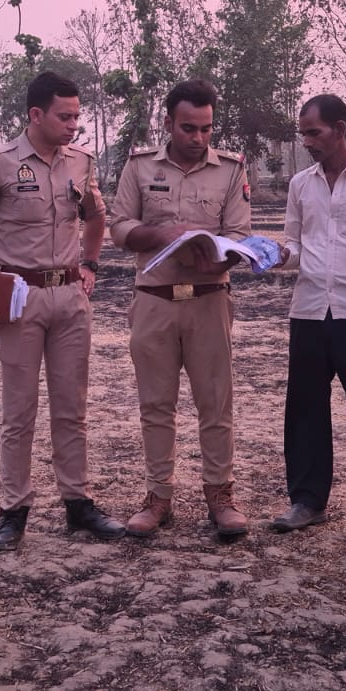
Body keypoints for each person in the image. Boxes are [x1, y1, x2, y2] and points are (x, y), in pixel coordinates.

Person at [0, 71, 124, 549]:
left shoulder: (81, 162)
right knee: (19, 410)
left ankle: (78, 503)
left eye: (77, 116)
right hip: (20, 298)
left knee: (72, 407)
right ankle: (14, 509)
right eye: (64, 116)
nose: (74, 125)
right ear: (35, 114)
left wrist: (90, 263)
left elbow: (96, 215)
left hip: (69, 297)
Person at [109, 79, 254, 540]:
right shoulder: (139, 166)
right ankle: (158, 497)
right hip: (154, 301)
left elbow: (239, 233)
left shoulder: (230, 170)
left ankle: (221, 496)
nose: (198, 137)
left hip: (209, 300)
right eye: (188, 128)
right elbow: (119, 227)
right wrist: (164, 234)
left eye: (206, 129)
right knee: (156, 405)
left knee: (216, 403)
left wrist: (223, 255)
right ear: (168, 122)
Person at [270, 93, 346, 533]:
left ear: (340, 130)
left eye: (314, 132)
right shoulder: (300, 184)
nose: (306, 141)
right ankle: (307, 500)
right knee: (304, 408)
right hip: (308, 311)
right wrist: (278, 255)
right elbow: (296, 244)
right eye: (302, 133)